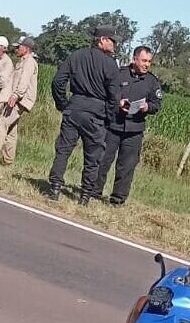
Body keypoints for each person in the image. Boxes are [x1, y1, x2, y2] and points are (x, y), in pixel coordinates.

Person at [47, 25, 121, 205]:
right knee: (93, 156)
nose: (115, 45)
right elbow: (114, 96)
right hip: (96, 113)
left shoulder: (76, 56)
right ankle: (85, 195)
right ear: (102, 40)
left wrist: (63, 104)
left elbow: (58, 81)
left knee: (63, 150)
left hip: (75, 106)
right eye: (112, 41)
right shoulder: (110, 64)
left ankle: (55, 187)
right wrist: (109, 118)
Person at [93, 46, 163, 206]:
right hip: (113, 125)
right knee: (102, 160)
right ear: (135, 59)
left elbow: (157, 104)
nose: (147, 64)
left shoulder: (152, 81)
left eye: (149, 62)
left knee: (127, 166)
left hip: (134, 130)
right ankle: (93, 191)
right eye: (144, 60)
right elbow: (107, 92)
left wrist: (147, 107)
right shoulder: (120, 73)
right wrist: (118, 102)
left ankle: (117, 199)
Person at [0, 36, 39, 165]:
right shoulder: (23, 61)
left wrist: (15, 95)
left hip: (18, 100)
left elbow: (24, 82)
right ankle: (7, 160)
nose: (16, 49)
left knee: (1, 125)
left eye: (19, 47)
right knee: (11, 131)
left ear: (26, 48)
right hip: (17, 99)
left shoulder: (29, 62)